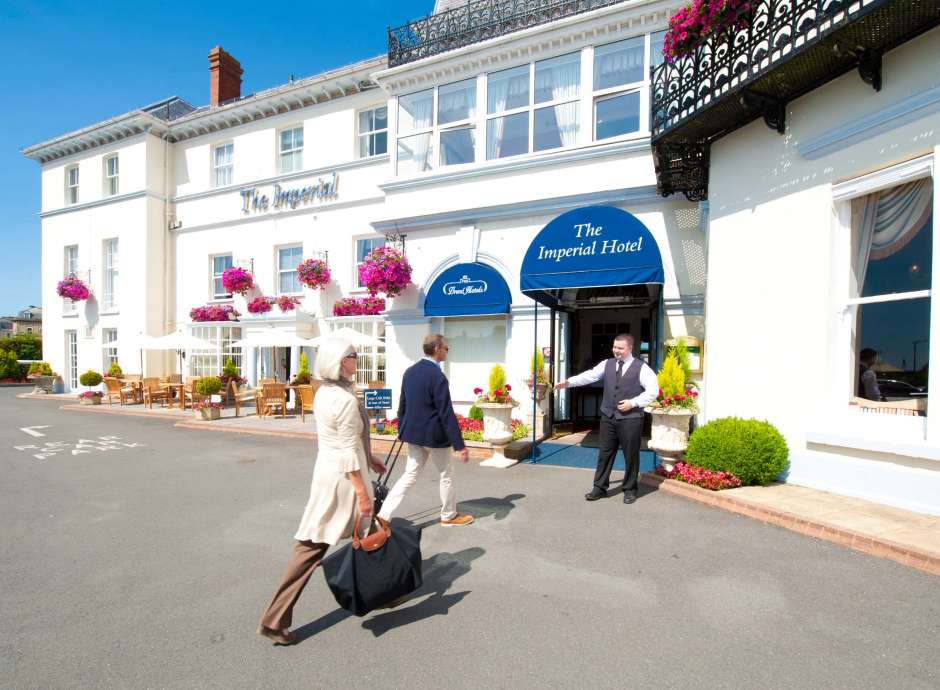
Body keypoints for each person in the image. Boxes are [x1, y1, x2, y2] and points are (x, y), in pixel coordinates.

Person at [257, 336, 386, 645]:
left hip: (332, 473)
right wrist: (362, 493)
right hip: (343, 481)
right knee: (316, 545)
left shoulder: (329, 392)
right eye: (354, 355)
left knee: (329, 542)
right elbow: (344, 449)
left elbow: (345, 438)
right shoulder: (341, 397)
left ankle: (383, 590)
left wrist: (369, 456)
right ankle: (274, 620)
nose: (358, 358)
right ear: (341, 361)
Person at [377, 333, 474, 527]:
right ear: (437, 348)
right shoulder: (437, 376)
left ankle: (383, 515)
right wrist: (459, 445)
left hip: (414, 435)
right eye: (446, 348)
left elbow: (402, 403)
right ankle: (448, 515)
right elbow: (446, 413)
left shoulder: (410, 372)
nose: (447, 352)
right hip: (435, 437)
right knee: (446, 474)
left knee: (410, 475)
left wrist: (401, 427)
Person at [555, 333, 658, 504]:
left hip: (631, 418)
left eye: (620, 348)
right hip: (608, 416)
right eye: (614, 347)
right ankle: (599, 488)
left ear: (630, 348)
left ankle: (630, 489)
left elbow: (653, 391)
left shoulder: (642, 368)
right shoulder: (607, 364)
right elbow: (590, 375)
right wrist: (569, 382)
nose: (616, 351)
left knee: (631, 455)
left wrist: (633, 402)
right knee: (604, 453)